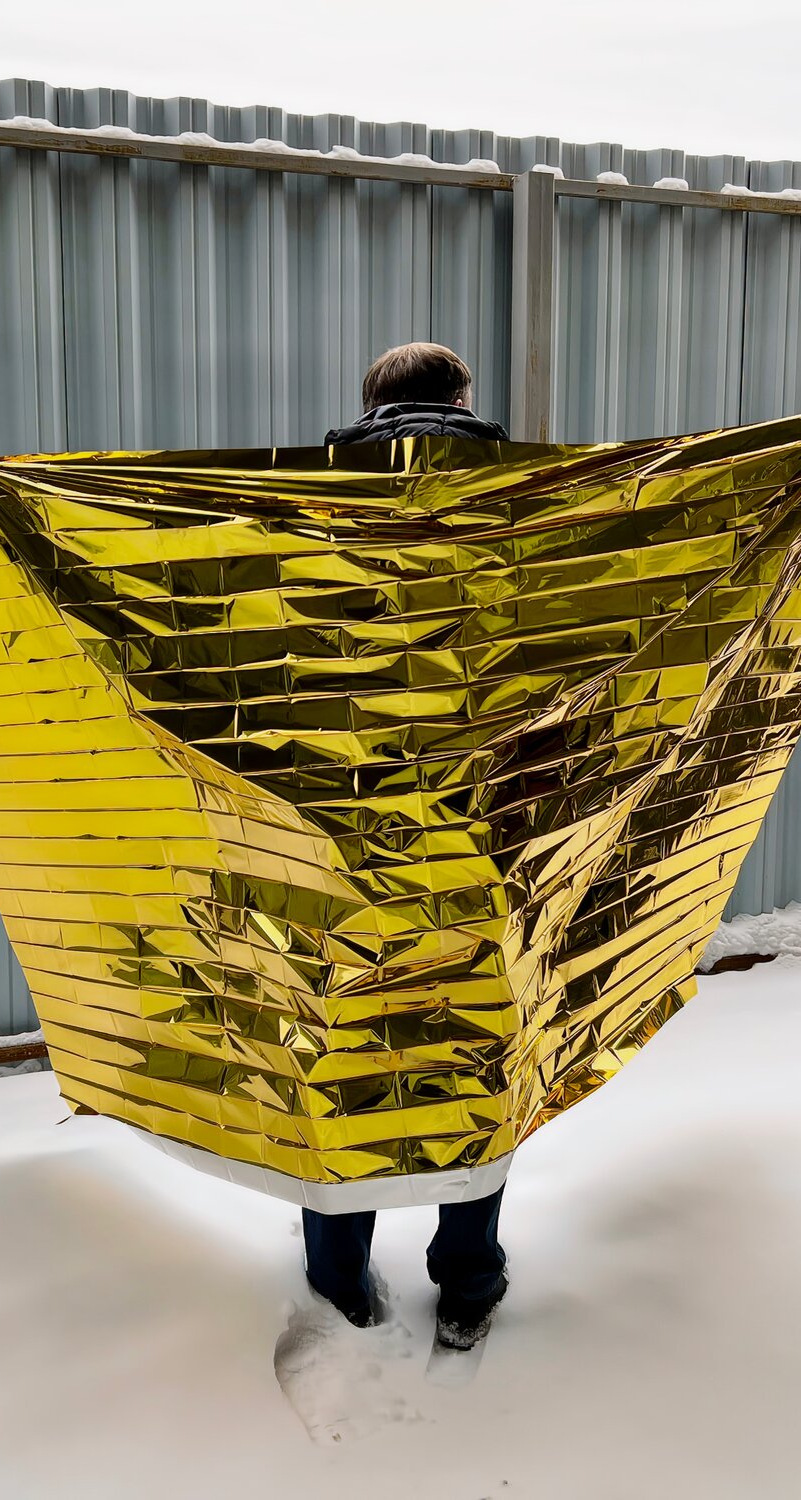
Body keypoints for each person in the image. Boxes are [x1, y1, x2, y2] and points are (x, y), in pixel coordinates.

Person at [312, 341, 510, 1353]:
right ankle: (467, 1283)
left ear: (368, 407)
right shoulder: (526, 498)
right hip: (485, 835)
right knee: (474, 1055)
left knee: (342, 1050)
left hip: (340, 831)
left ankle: (336, 1276)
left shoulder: (308, 501)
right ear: (462, 401)